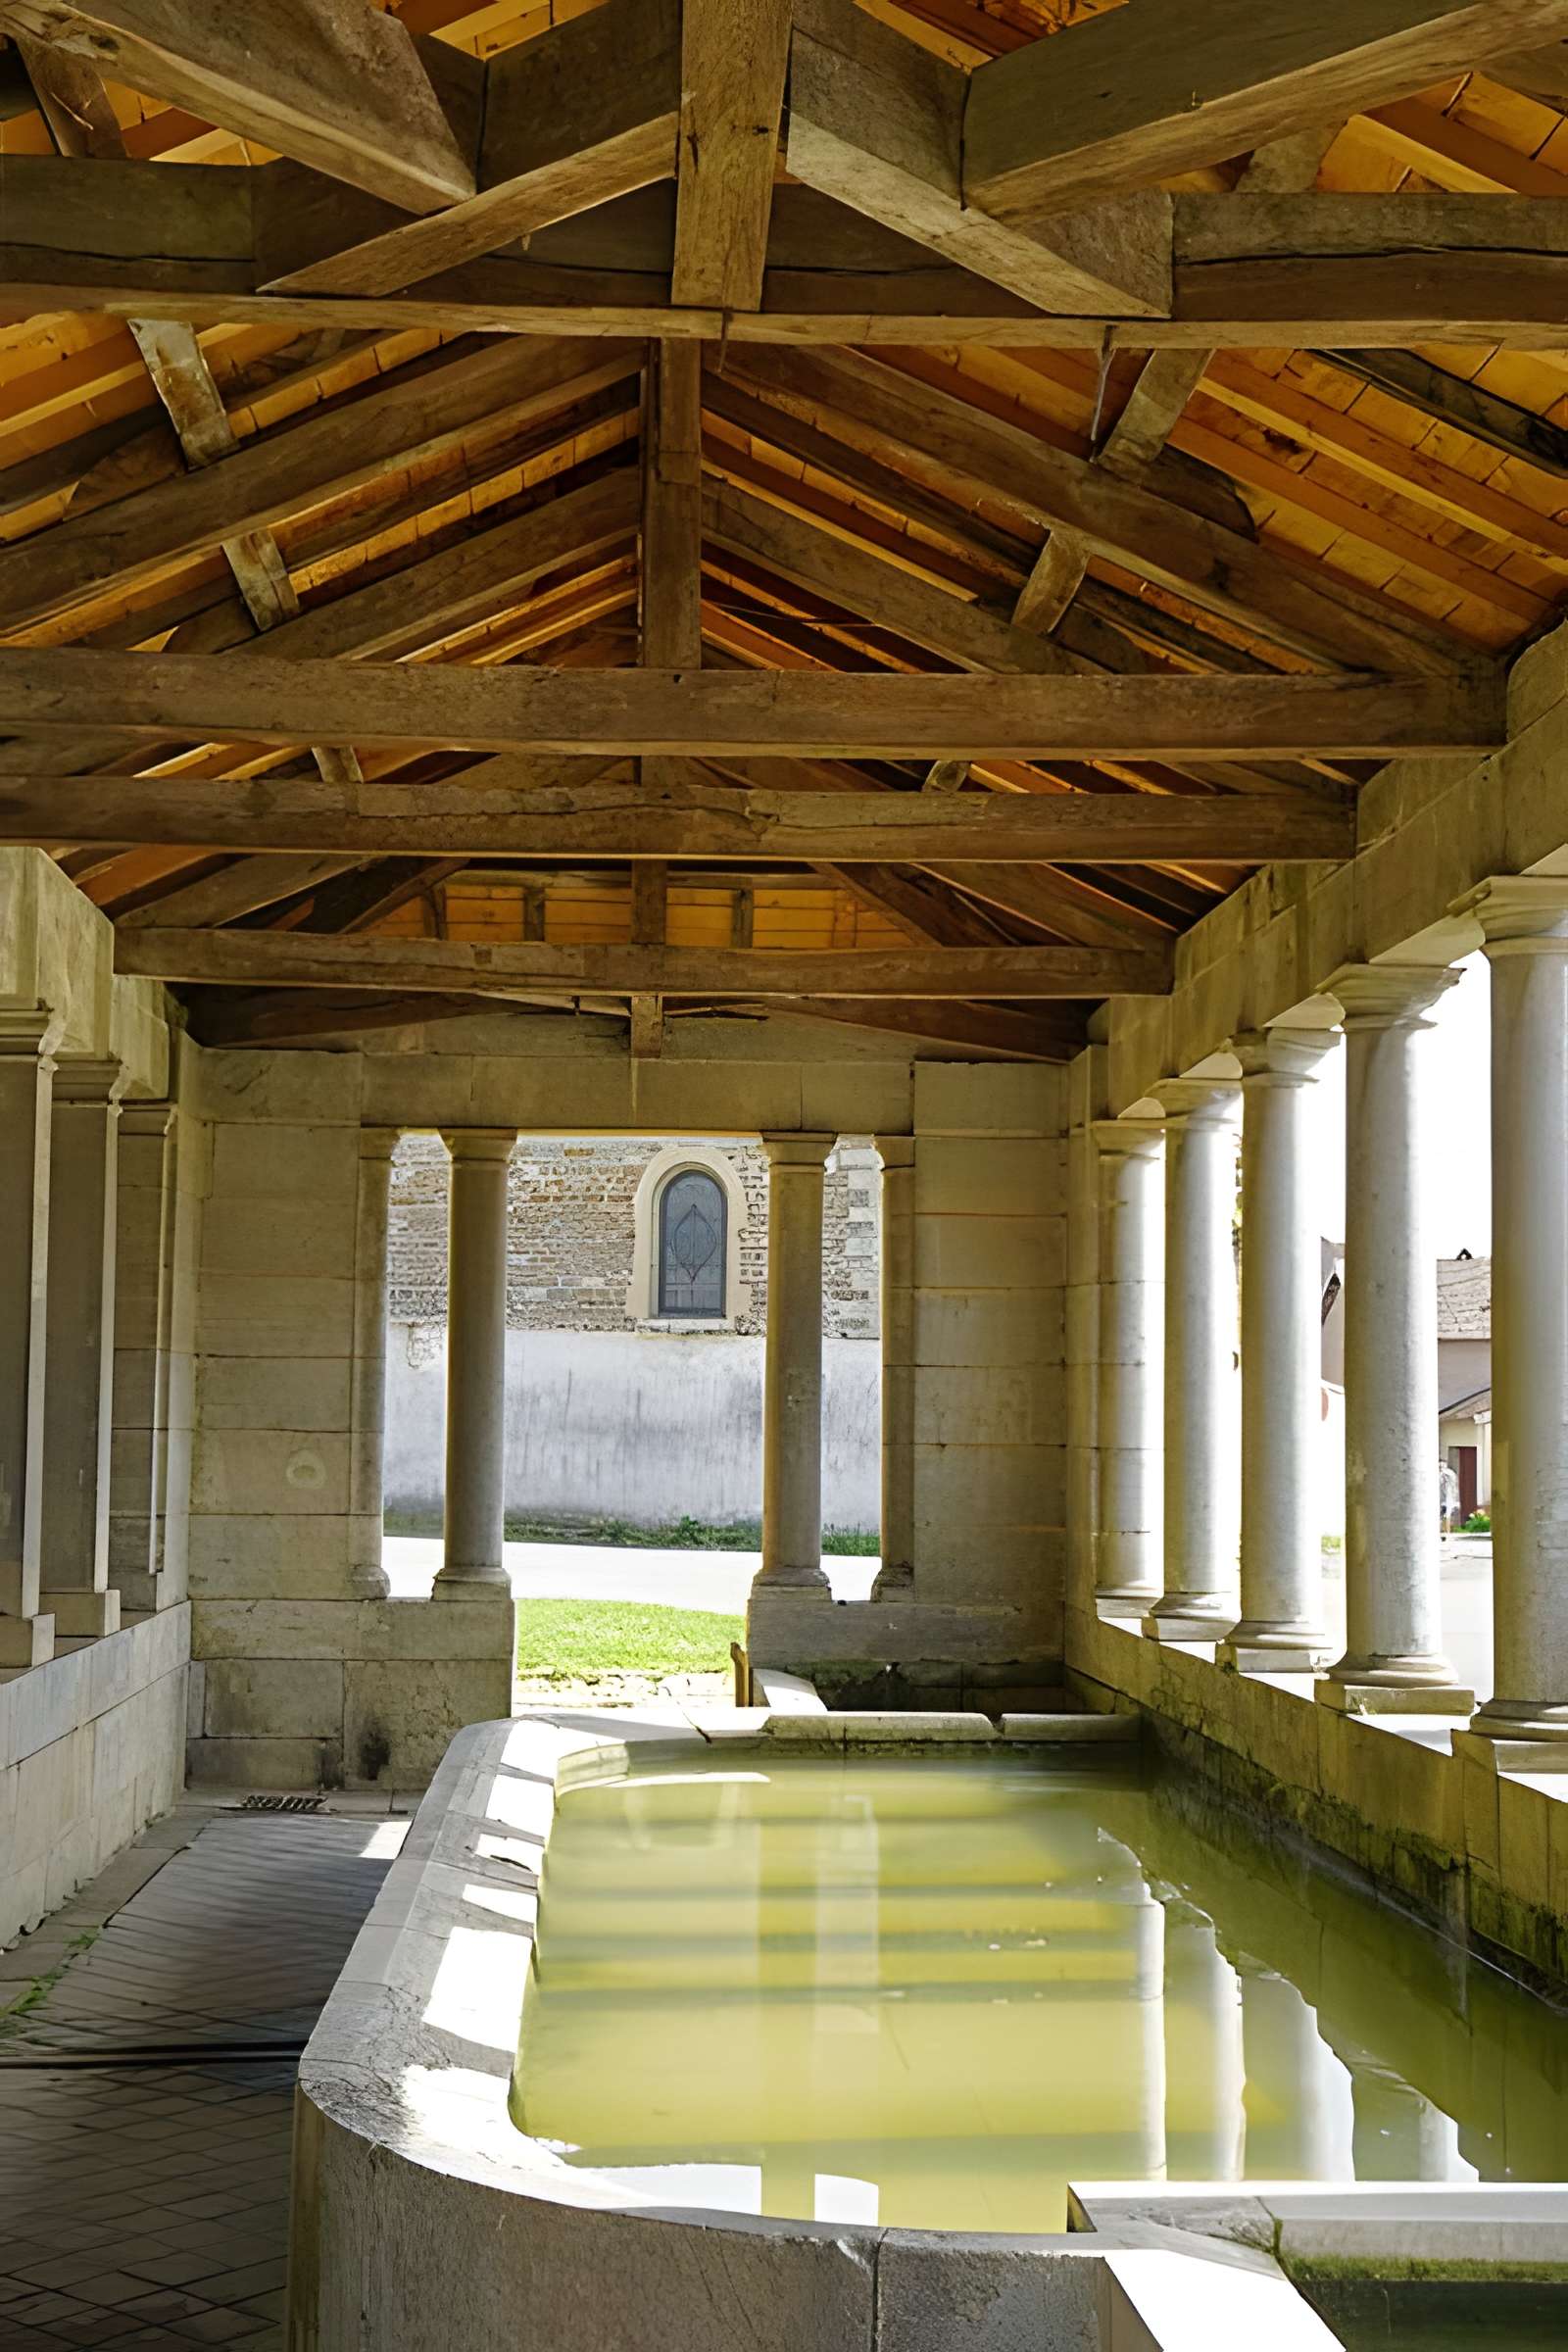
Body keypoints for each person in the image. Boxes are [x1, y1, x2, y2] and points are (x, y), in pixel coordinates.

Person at [1439, 1459, 1461, 1536]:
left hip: (1448, 1498)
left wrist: (1456, 1500)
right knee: (1439, 1516)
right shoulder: (1436, 1474)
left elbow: (1454, 1485)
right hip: (1438, 1498)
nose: (1441, 1466)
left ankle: (1446, 1533)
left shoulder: (1450, 1473)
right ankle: (1440, 1532)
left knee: (1447, 1515)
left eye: (1442, 1465)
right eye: (1440, 1465)